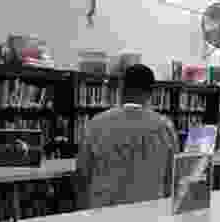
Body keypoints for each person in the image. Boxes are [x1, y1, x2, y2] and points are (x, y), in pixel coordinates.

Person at [75, 64, 180, 210]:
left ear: (121, 88)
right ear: (151, 93)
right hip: (149, 213)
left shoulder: (96, 124)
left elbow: (82, 172)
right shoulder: (165, 127)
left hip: (104, 214)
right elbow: (172, 177)